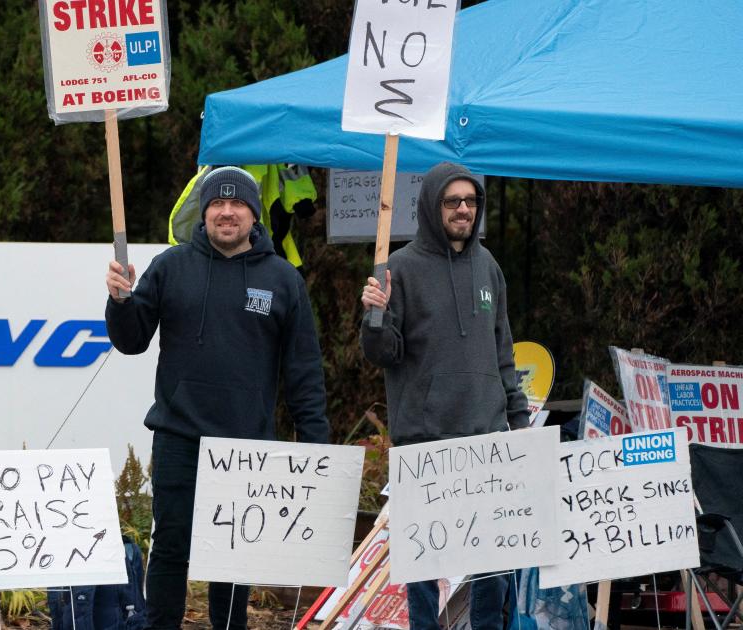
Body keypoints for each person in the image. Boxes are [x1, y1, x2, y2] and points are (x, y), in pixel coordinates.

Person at [105, 166, 330, 630]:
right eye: (217, 204)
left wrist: (316, 445)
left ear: (253, 213)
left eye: (238, 204)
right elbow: (130, 341)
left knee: (233, 558)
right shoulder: (171, 266)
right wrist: (120, 302)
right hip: (178, 437)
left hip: (245, 446)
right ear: (204, 212)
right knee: (171, 547)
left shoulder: (283, 279)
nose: (226, 212)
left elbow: (303, 371)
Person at [359, 161, 529, 630]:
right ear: (432, 207)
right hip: (425, 442)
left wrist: (518, 425)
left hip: (487, 440)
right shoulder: (400, 269)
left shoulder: (488, 266)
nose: (462, 209)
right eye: (452, 201)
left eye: (470, 201)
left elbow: (504, 353)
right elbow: (384, 353)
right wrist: (374, 315)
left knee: (493, 567)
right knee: (424, 572)